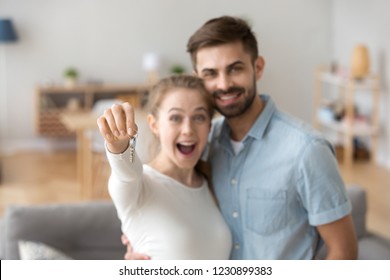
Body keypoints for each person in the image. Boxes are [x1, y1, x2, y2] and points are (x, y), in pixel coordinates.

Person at [124, 15, 358, 260]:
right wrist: (140, 247)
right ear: (198, 78)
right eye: (211, 74)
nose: (224, 84)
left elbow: (344, 251)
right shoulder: (203, 143)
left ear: (257, 67)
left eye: (235, 69)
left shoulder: (307, 151)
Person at [96, 74, 232, 260]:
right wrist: (120, 146)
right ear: (154, 125)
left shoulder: (210, 182)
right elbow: (126, 173)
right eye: (175, 118)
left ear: (209, 126)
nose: (188, 129)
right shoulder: (139, 186)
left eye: (199, 117)